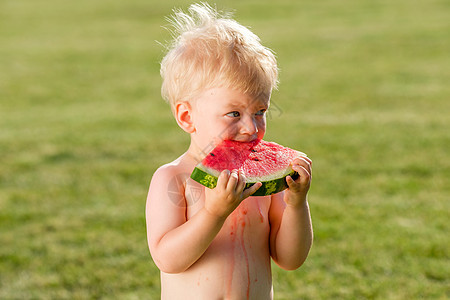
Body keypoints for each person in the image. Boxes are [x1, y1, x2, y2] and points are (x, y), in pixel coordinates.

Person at [146, 3, 313, 299]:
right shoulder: (173, 179)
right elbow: (168, 259)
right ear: (187, 117)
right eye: (234, 114)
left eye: (260, 111)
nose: (251, 128)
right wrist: (213, 212)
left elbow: (290, 259)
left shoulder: (264, 185)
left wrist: (296, 204)